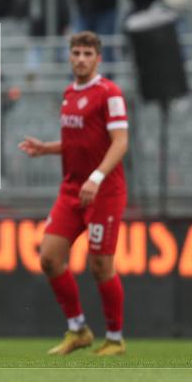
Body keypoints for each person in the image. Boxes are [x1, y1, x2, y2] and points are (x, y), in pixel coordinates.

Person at [18, 31, 129, 356]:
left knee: (100, 266)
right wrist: (47, 148)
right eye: (76, 53)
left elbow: (120, 142)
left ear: (98, 58)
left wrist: (95, 178)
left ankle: (115, 338)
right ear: (70, 57)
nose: (81, 59)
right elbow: (81, 142)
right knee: (50, 258)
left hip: (104, 191)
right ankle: (78, 330)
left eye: (87, 54)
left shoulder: (110, 93)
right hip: (72, 190)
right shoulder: (69, 93)